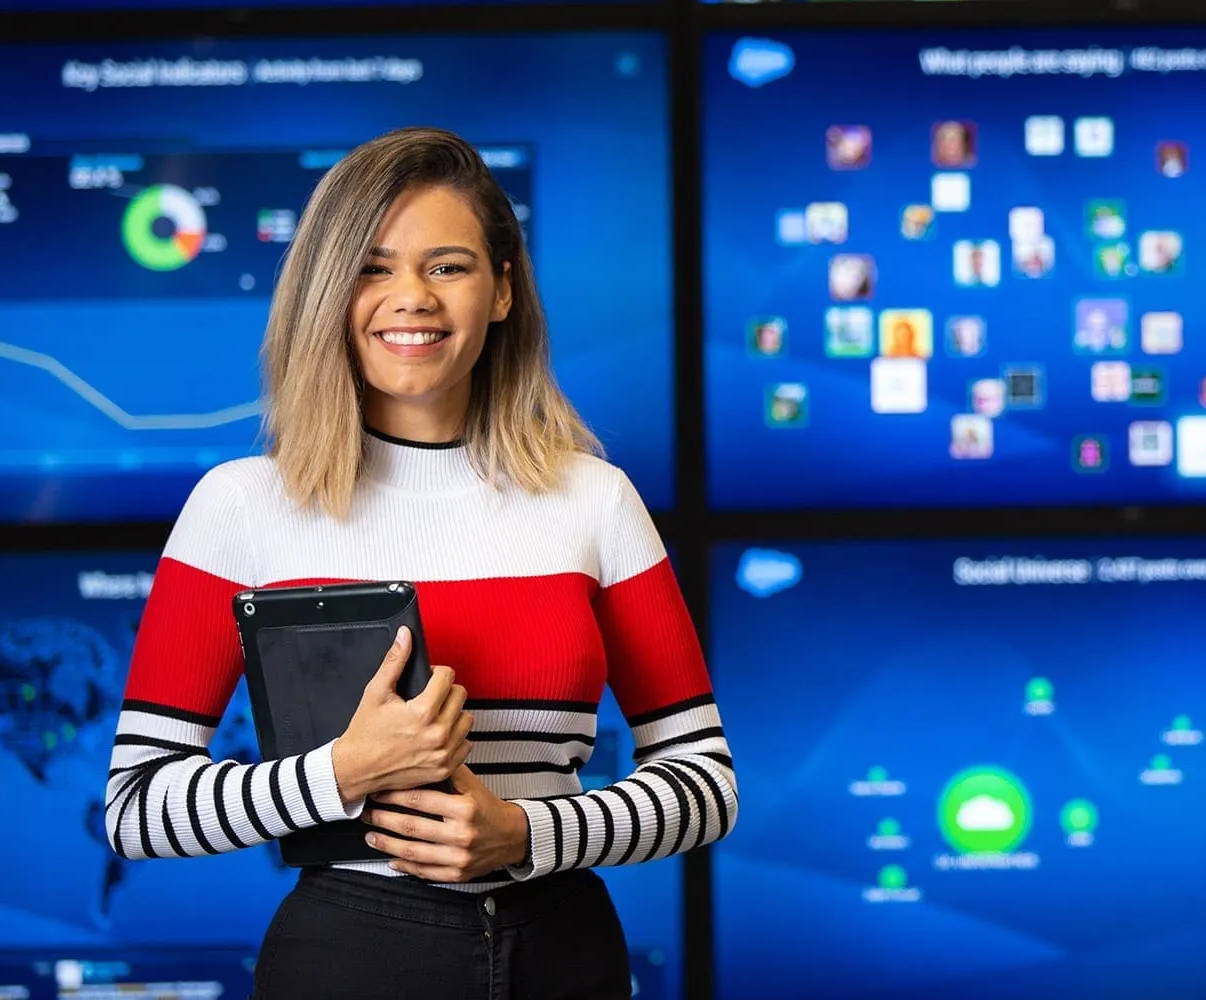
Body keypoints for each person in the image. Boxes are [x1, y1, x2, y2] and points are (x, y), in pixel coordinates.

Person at [100, 126, 737, 999]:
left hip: (565, 954)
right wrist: (342, 773)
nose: (412, 298)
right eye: (372, 268)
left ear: (502, 290)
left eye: (447, 266)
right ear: (328, 293)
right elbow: (137, 807)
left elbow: (704, 784)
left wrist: (526, 833)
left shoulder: (596, 499)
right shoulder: (240, 505)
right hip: (350, 959)